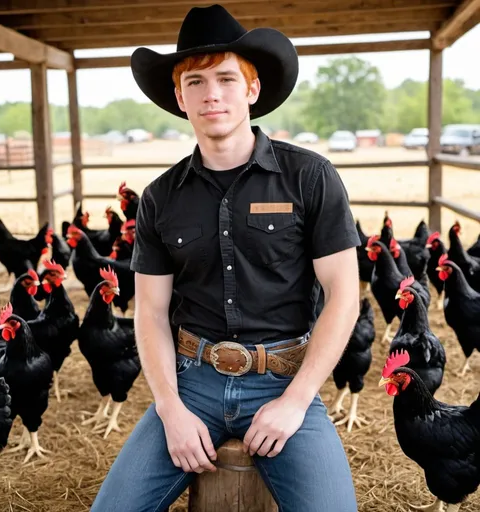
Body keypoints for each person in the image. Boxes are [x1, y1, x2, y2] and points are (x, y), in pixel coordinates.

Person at [91, 5, 360, 511]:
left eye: (226, 78)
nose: (211, 93)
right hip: (192, 383)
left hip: (286, 381)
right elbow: (149, 311)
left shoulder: (310, 177)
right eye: (195, 81)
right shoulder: (160, 197)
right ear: (179, 96)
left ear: (252, 90)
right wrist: (170, 409)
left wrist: (296, 402)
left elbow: (344, 296)